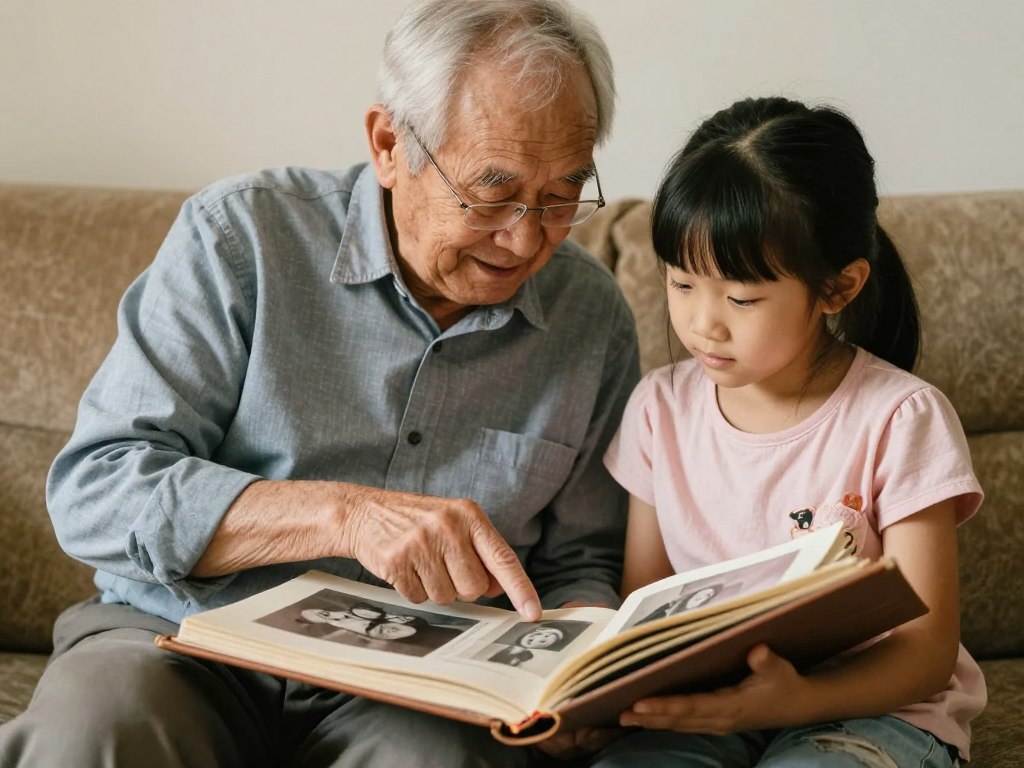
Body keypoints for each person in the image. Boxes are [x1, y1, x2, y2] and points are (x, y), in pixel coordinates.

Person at [0, 1, 639, 766]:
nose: (527, 237)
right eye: (491, 192)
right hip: (178, 641)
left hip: (419, 687)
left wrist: (581, 673)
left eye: (562, 195)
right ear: (388, 145)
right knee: (98, 730)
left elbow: (581, 562)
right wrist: (343, 516)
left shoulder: (589, 314)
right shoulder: (241, 239)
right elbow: (96, 491)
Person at [592, 97, 985, 767]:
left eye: (741, 298)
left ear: (837, 288)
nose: (703, 323)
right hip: (714, 706)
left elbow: (924, 654)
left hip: (879, 710)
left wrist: (790, 700)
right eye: (682, 284)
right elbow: (646, 607)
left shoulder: (900, 419)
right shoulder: (660, 409)